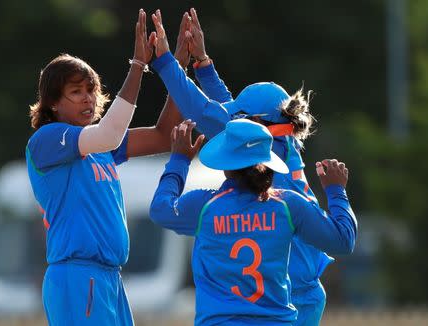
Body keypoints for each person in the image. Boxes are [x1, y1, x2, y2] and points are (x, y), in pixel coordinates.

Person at [151, 8, 343, 325]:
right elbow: (228, 113)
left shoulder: (255, 146)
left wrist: (165, 63)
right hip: (303, 286)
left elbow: (203, 112)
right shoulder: (279, 140)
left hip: (284, 292)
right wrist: (203, 64)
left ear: (256, 123)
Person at [26, 9, 189, 325]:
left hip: (108, 278)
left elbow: (162, 135)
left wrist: (175, 68)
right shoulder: (47, 139)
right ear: (52, 103)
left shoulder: (101, 148)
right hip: (77, 275)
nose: (88, 99)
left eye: (91, 90)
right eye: (76, 92)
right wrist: (139, 65)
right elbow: (110, 133)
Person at [150, 119, 357, 325]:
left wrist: (179, 160)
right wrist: (336, 191)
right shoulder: (288, 205)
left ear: (226, 163)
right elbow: (343, 240)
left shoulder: (204, 206)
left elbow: (160, 209)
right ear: (268, 162)